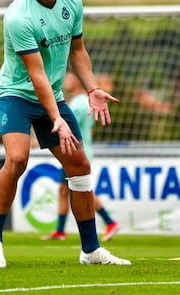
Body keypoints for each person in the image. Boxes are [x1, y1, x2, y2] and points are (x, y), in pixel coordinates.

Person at [0, 0, 131, 268]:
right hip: (17, 95)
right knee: (18, 159)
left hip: (54, 95)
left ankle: (90, 250)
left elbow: (78, 51)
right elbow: (36, 75)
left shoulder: (73, 4)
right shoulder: (19, 16)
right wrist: (57, 119)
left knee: (79, 166)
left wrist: (92, 88)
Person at [45, 70, 120, 241]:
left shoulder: (78, 104)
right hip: (77, 150)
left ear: (78, 81)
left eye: (70, 77)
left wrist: (38, 139)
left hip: (74, 152)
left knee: (80, 189)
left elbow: (66, 128)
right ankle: (60, 230)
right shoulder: (84, 102)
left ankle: (110, 222)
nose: (65, 80)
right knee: (64, 190)